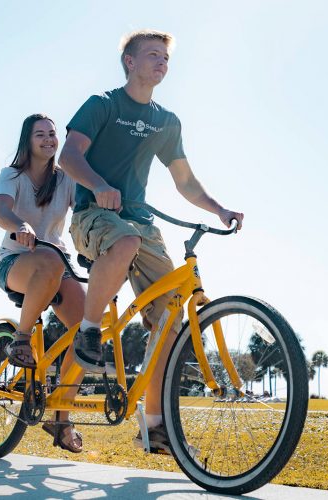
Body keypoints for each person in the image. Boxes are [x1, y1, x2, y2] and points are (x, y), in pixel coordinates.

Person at [59, 30, 243, 454]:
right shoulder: (102, 104)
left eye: (166, 57)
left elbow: (186, 181)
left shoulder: (166, 121)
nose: (162, 62)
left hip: (140, 224)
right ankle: (89, 332)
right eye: (153, 55)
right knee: (122, 242)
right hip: (94, 216)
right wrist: (100, 185)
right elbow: (69, 156)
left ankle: (155, 427)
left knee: (170, 321)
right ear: (129, 61)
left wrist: (219, 209)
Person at [0, 113, 86, 453]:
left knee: (87, 329)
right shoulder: (12, 175)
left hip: (57, 265)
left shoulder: (66, 180)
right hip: (16, 261)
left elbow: (84, 208)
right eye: (40, 135)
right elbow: (1, 211)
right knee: (48, 260)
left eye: (52, 134)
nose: (48, 139)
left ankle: (61, 420)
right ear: (27, 141)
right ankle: (21, 338)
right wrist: (20, 224)